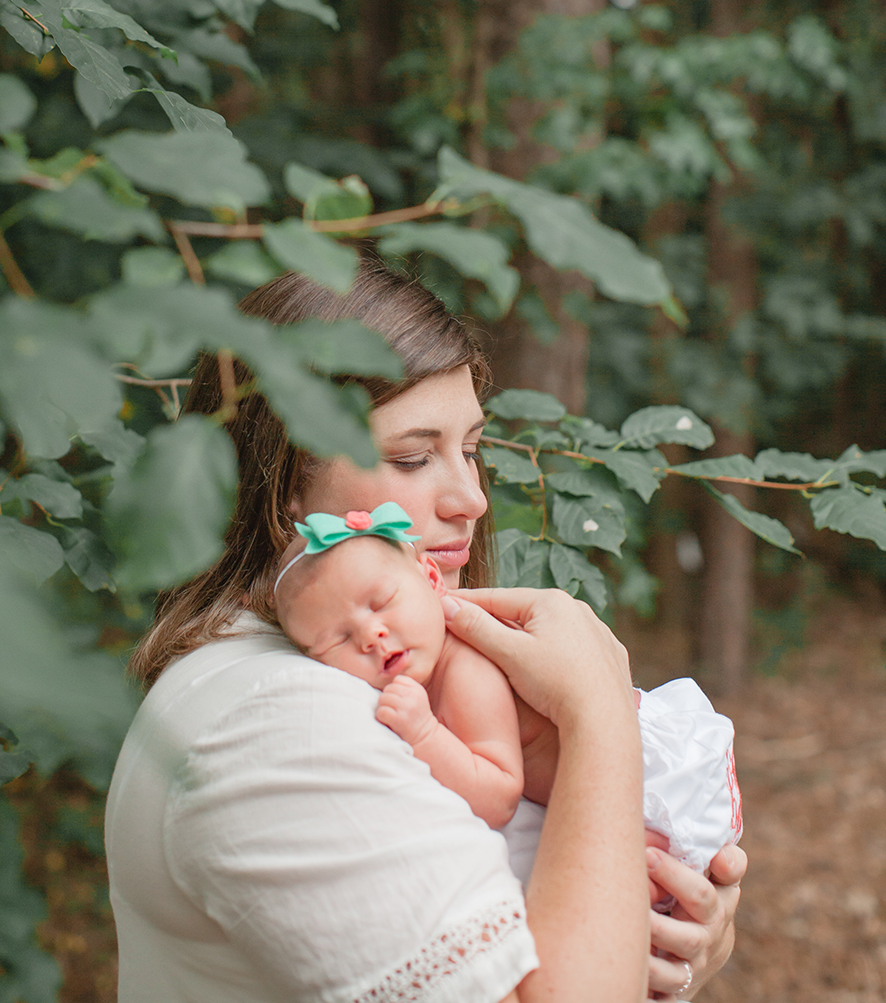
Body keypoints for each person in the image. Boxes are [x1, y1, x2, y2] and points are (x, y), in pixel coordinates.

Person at [108, 260, 746, 1002]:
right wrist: (598, 711)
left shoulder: (348, 677)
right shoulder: (286, 726)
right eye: (412, 457)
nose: (471, 498)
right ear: (286, 490)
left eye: (471, 450)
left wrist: (681, 933)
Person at [271, 505, 743, 892]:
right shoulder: (420, 664)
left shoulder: (466, 670)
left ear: (430, 579)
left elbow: (497, 796)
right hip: (594, 776)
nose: (371, 636)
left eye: (381, 603)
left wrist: (423, 732)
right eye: (337, 640)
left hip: (653, 784)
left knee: (628, 890)